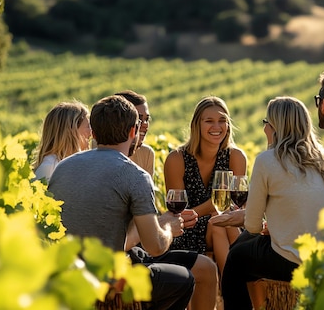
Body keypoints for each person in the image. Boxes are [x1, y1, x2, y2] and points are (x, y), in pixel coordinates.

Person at [47, 95, 218, 310]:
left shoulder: (64, 167)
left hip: (70, 271)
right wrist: (166, 227)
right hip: (111, 279)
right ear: (132, 132)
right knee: (183, 280)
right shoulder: (134, 174)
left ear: (95, 133)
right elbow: (155, 246)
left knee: (203, 266)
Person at [220, 96, 324, 310]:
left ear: (274, 127)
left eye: (266, 123)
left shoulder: (267, 160)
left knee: (236, 258)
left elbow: (253, 226)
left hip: (293, 262)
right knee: (244, 247)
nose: (264, 129)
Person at [163, 96, 247, 278]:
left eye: (222, 121)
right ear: (197, 125)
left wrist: (217, 209)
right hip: (188, 229)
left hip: (224, 223)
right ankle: (235, 288)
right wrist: (212, 207)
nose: (217, 127)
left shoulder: (235, 156)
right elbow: (180, 215)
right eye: (209, 121)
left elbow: (236, 205)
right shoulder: (177, 159)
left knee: (219, 221)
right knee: (219, 220)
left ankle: (231, 288)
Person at [32, 100, 91, 182]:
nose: (91, 132)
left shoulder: (73, 163)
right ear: (71, 131)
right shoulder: (49, 167)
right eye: (88, 126)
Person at [115, 90, 155, 176]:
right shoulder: (95, 148)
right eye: (139, 119)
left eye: (147, 119)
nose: (145, 124)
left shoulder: (147, 154)